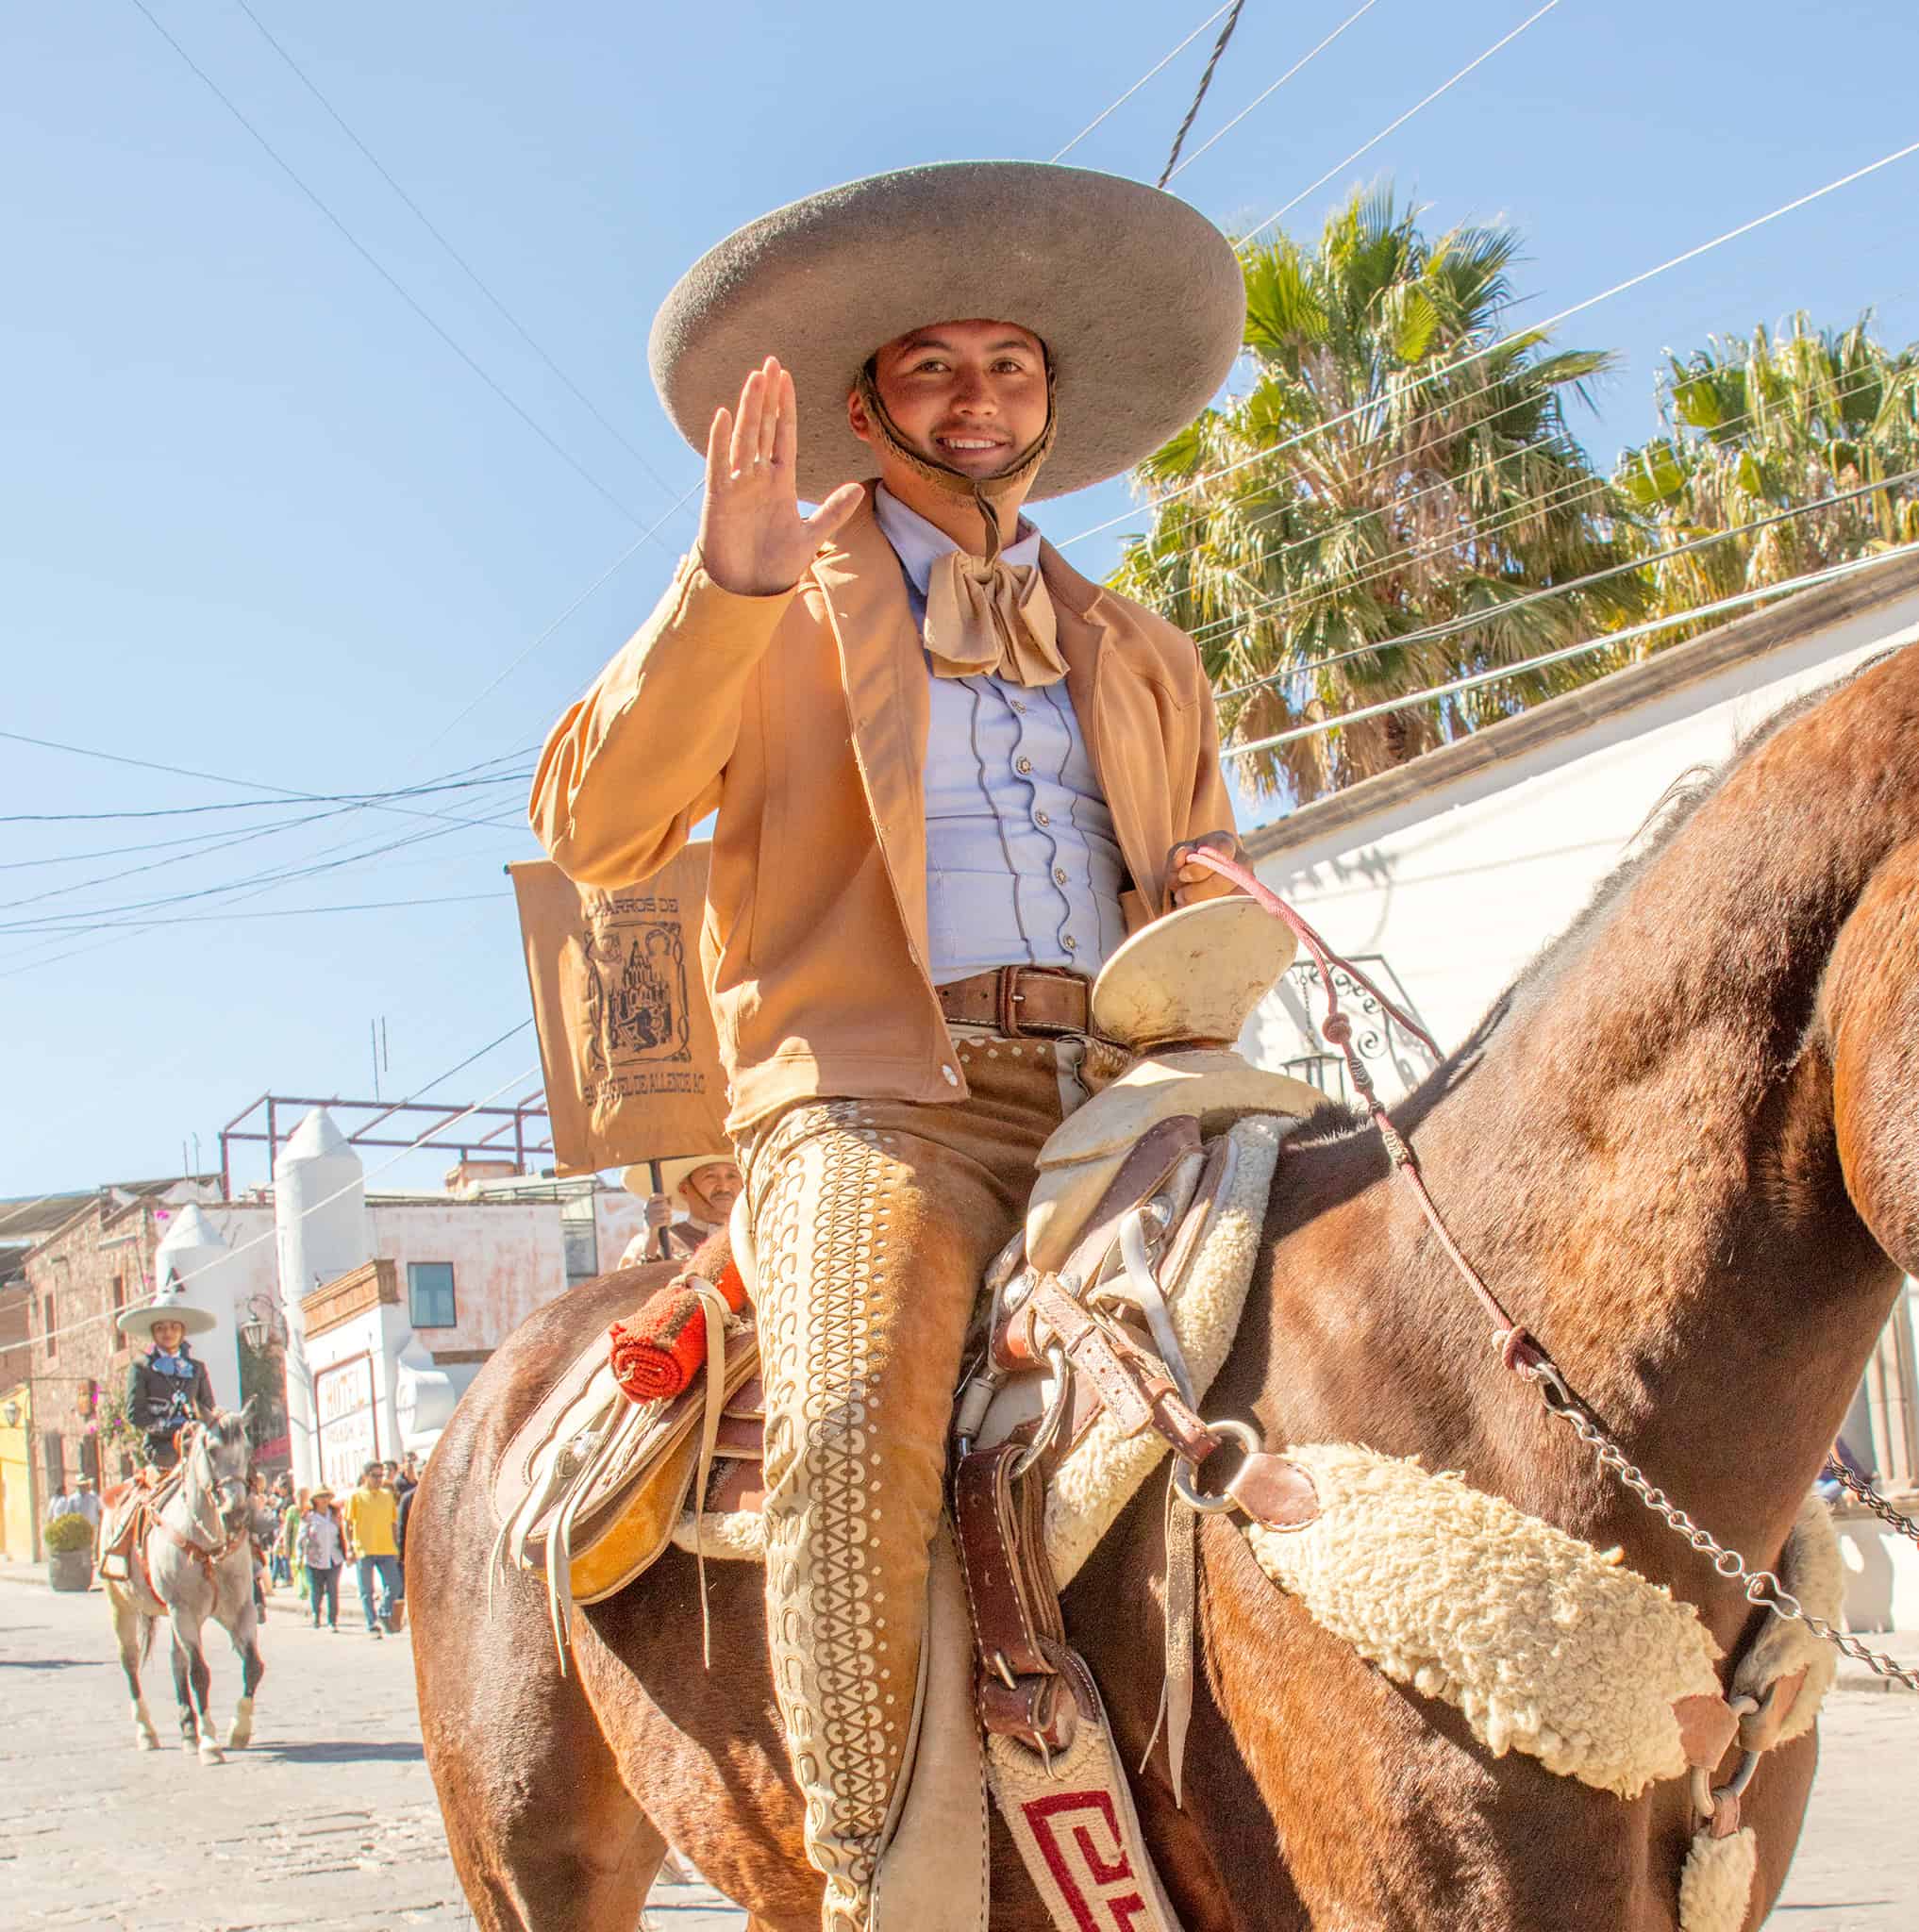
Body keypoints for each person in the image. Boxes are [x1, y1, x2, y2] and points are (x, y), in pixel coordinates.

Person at [529, 160, 1247, 1931]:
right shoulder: (770, 592)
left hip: (1135, 1079)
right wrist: (725, 585)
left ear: (1050, 403)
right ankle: (877, 1877)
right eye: (933, 367)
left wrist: (1221, 896)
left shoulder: (1141, 652)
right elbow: (593, 828)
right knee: (852, 1408)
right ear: (864, 400)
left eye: (1008, 366)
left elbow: (1197, 856)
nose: (976, 397)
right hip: (880, 1095)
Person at [119, 1309, 218, 1472]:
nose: (168, 1332)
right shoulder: (142, 1368)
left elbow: (208, 1408)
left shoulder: (196, 1368)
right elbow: (134, 1414)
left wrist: (196, 1428)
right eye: (160, 1328)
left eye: (174, 1327)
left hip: (196, 1444)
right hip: (161, 1448)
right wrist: (168, 1428)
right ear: (153, 1332)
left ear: (182, 1332)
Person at [618, 1155, 743, 1265]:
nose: (724, 1187)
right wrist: (651, 1243)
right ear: (684, 1189)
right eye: (710, 1176)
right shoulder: (659, 1242)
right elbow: (637, 1287)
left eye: (732, 1176)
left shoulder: (755, 1239)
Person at [344, 1460, 401, 1639]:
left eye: (381, 1476)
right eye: (375, 1476)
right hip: (364, 1549)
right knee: (366, 1590)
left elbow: (393, 1523)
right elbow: (347, 1524)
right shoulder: (356, 1496)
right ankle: (371, 1623)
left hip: (386, 1548)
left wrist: (395, 1544)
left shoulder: (387, 1495)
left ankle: (384, 1612)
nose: (379, 1479)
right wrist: (350, 1548)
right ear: (366, 1476)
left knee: (395, 1584)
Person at [300, 1489, 344, 1630]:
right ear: (315, 1500)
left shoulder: (335, 1516)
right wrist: (300, 1554)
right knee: (316, 1590)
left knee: (333, 1590)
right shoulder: (309, 1517)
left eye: (327, 1497)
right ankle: (316, 1615)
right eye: (321, 1497)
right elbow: (301, 1538)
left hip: (333, 1557)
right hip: (314, 1559)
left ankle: (333, 1621)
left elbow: (341, 1534)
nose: (324, 1500)